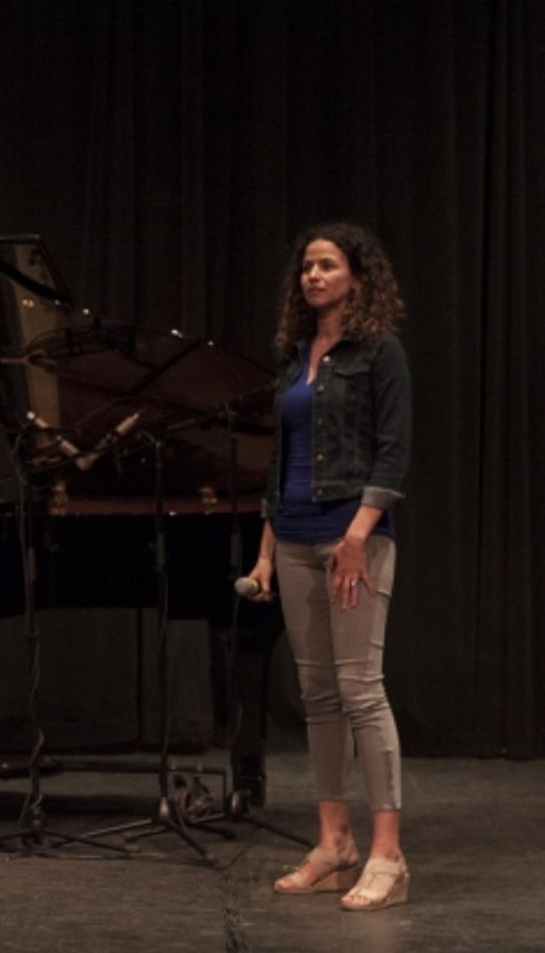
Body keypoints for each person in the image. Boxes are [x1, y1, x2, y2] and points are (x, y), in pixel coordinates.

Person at [244, 223, 411, 911]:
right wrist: (264, 549)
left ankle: (389, 855)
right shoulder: (294, 358)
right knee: (315, 695)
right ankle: (335, 841)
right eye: (307, 266)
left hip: (355, 537)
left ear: (357, 277)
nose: (314, 276)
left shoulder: (379, 352)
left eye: (328, 265)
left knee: (360, 688)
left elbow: (394, 453)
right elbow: (279, 461)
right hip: (294, 535)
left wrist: (356, 533)